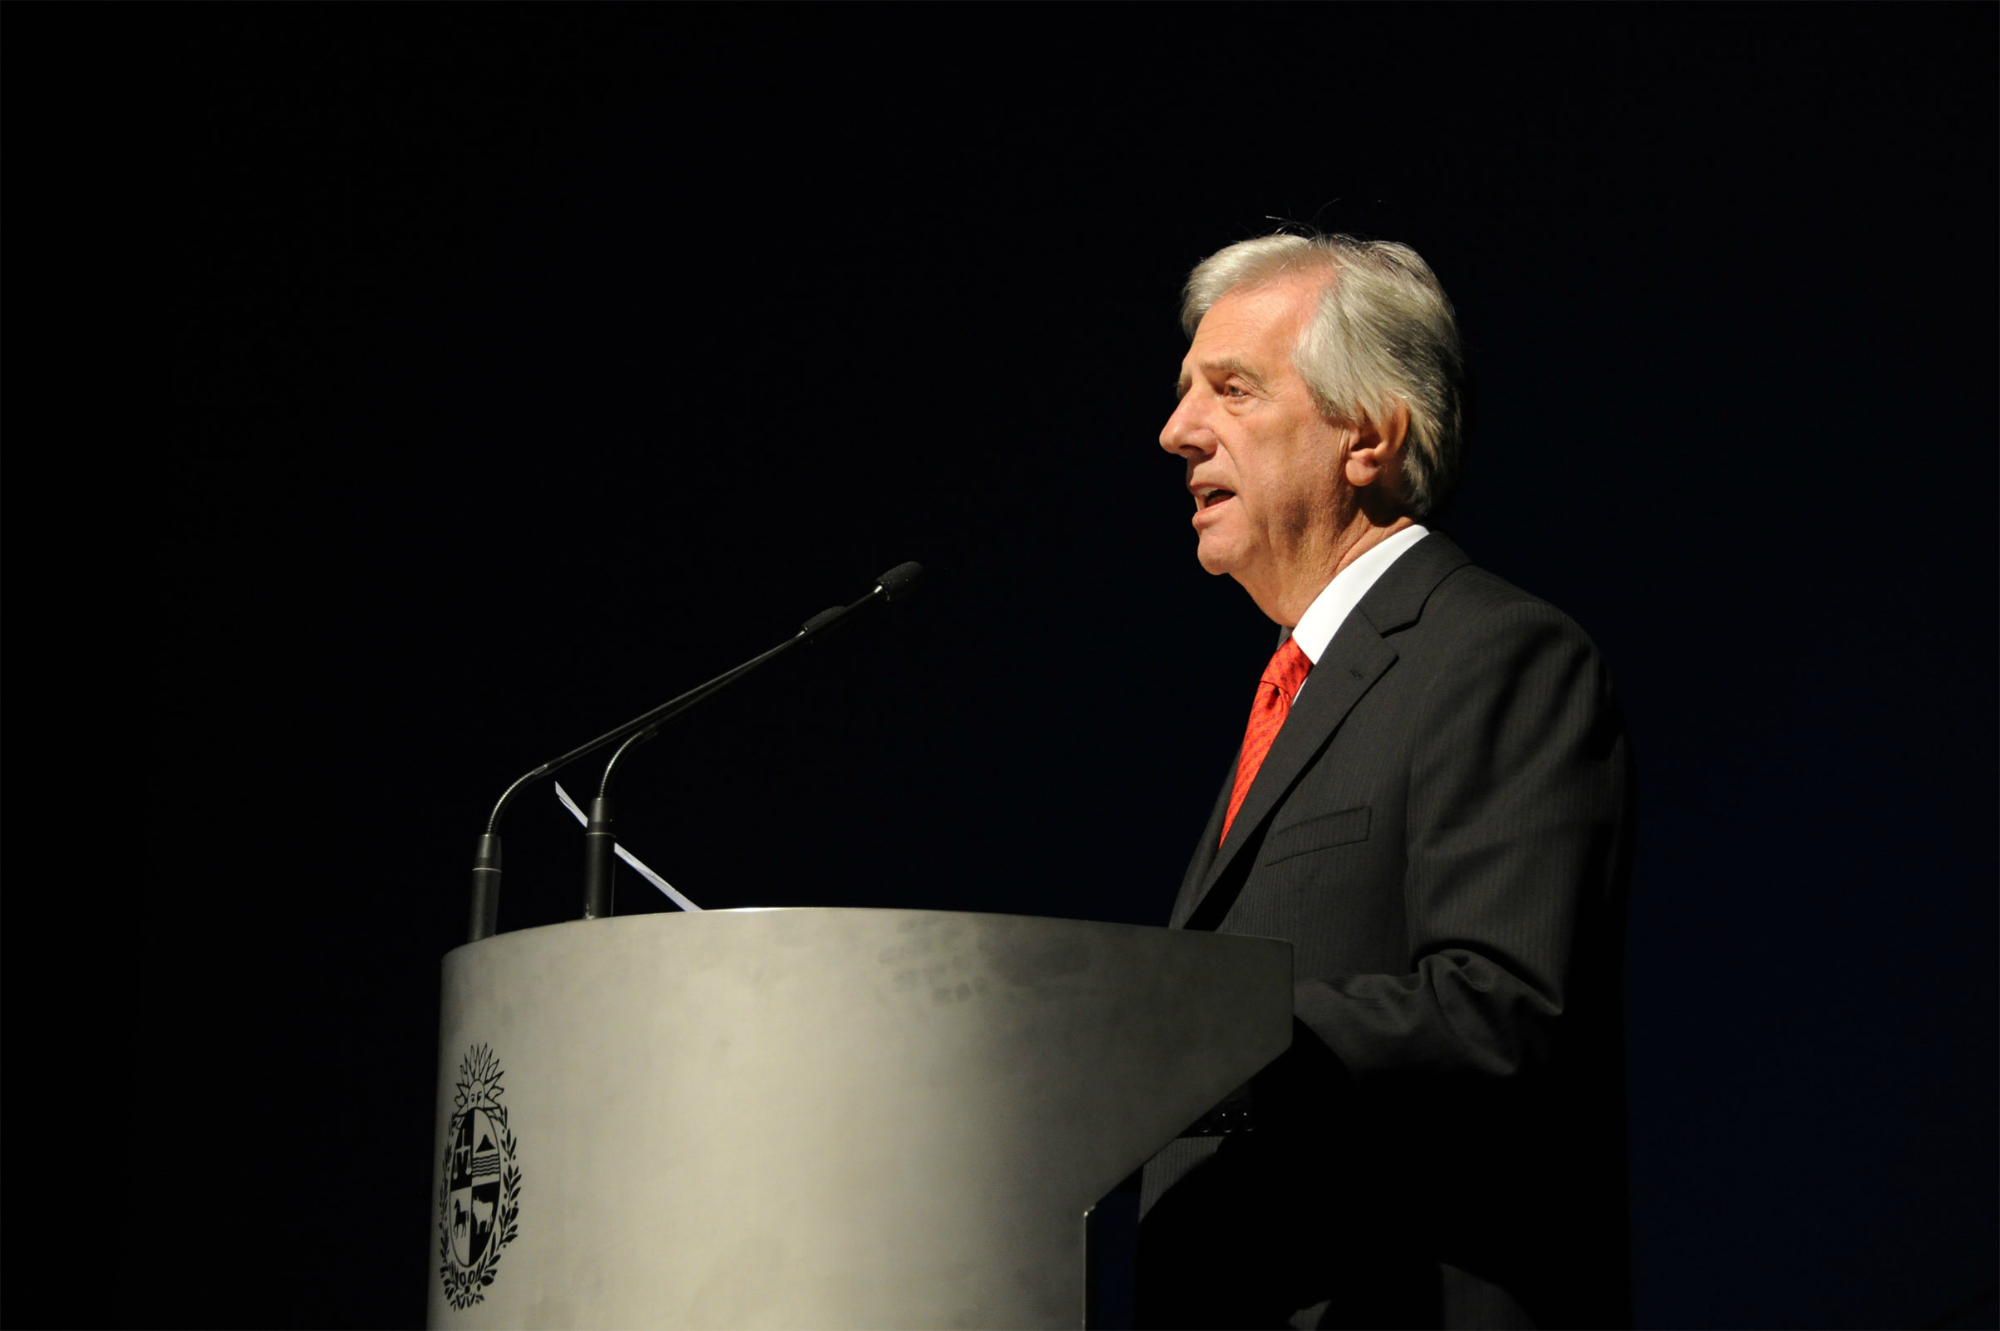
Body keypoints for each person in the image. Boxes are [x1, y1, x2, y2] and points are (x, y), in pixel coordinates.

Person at [1135, 233, 1634, 1330]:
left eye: (1230, 388)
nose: (1176, 432)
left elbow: (1502, 1009)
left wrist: (1169, 1038)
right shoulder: (1295, 692)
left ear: (1364, 434)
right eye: (1183, 395)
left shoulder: (1493, 653)